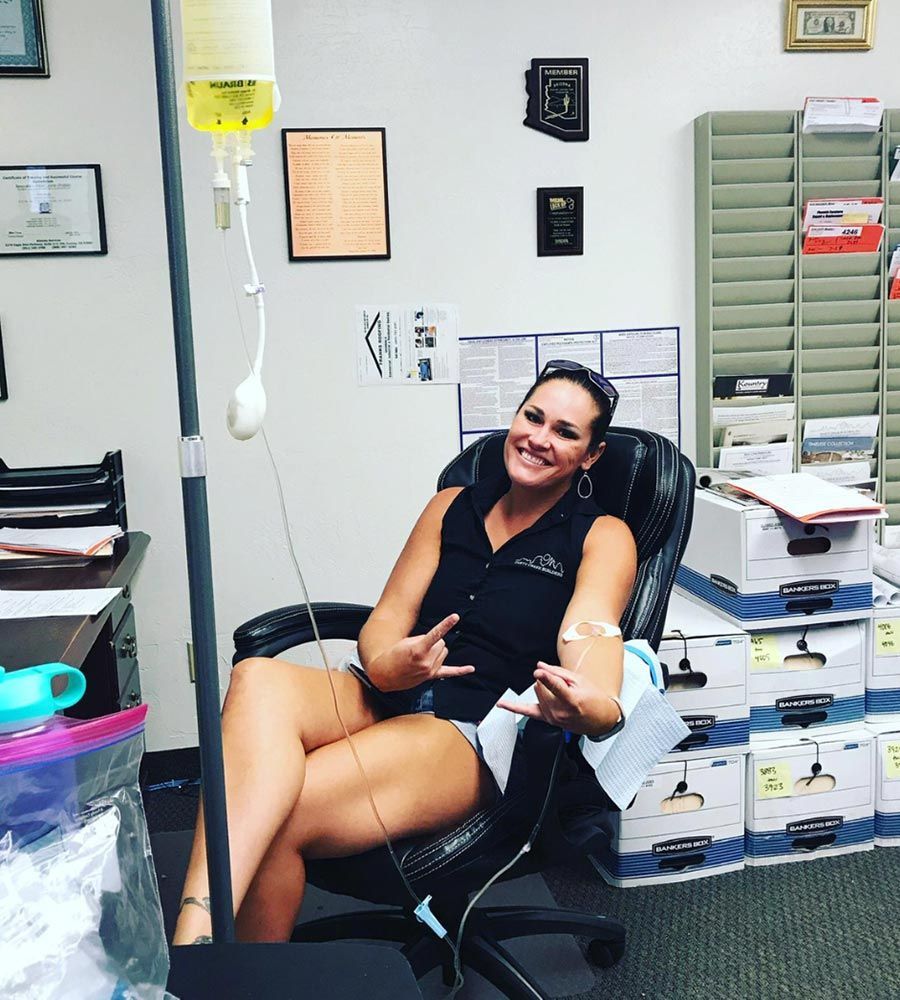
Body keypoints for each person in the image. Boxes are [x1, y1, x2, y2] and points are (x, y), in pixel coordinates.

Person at [173, 360, 637, 945]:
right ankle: (194, 942)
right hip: (390, 691)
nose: (539, 439)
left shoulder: (602, 536)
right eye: (533, 417)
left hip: (466, 724)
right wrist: (396, 662)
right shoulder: (449, 507)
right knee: (256, 677)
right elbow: (384, 624)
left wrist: (595, 705)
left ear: (590, 456)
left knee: (273, 812)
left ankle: (235, 973)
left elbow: (591, 636)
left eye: (566, 433)